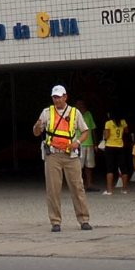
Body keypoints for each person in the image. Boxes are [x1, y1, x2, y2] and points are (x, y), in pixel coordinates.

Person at [33, 85, 92, 232]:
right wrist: (37, 126)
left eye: (59, 97)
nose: (56, 100)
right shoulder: (47, 112)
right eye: (54, 97)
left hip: (71, 155)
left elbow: (85, 131)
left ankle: (84, 219)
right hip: (53, 154)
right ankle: (55, 221)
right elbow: (36, 132)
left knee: (77, 187)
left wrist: (77, 142)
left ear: (65, 97)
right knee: (53, 189)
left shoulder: (74, 112)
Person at [100, 113, 131, 195]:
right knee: (123, 167)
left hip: (110, 146)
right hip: (120, 145)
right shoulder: (123, 122)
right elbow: (127, 131)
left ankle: (109, 190)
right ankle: (124, 189)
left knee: (110, 168)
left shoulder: (109, 123)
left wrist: (104, 133)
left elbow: (106, 136)